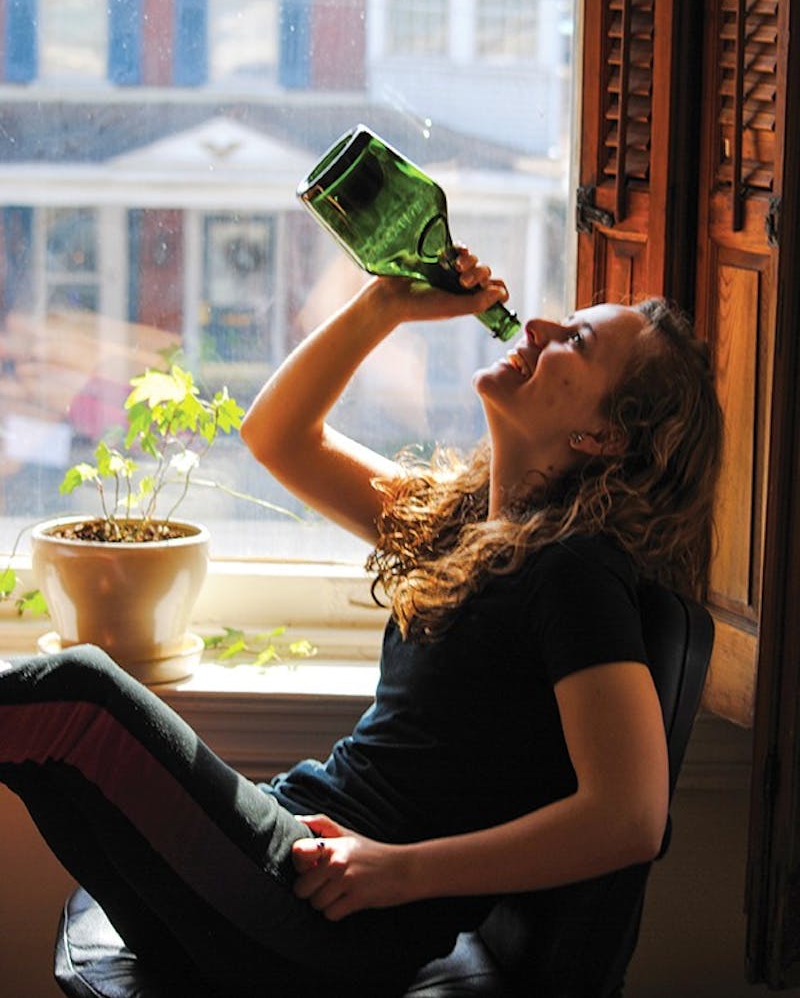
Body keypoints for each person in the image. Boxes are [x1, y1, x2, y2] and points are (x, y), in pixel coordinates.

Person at [0, 251, 722, 997]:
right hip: (292, 854)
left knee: (79, 698)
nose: (538, 326)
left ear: (605, 437)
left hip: (335, 912)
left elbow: (632, 816)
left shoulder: (576, 571)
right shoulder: (460, 522)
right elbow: (277, 435)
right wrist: (385, 305)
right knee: (49, 751)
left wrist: (398, 870)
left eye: (575, 340)